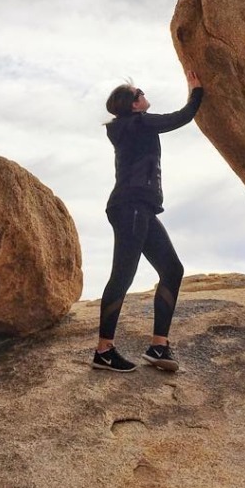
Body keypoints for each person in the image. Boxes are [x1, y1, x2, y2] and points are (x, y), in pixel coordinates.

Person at [92, 70, 204, 373]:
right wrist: (196, 91)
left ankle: (158, 346)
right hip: (131, 208)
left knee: (172, 270)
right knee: (123, 275)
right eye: (139, 92)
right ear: (134, 105)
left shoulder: (133, 125)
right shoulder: (139, 124)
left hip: (140, 208)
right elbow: (181, 117)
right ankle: (104, 350)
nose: (144, 94)